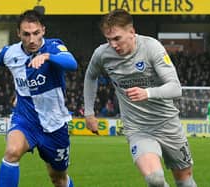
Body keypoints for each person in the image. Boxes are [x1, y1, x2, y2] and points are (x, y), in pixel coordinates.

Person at [0, 9, 77, 187]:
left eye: (36, 33)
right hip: (26, 119)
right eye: (26, 34)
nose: (31, 39)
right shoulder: (10, 53)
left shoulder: (54, 46)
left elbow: (72, 63)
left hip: (54, 124)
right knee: (12, 151)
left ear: (43, 30)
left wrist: (48, 57)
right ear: (18, 33)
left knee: (58, 178)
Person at [84, 9, 197, 187]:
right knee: (155, 179)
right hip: (138, 129)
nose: (112, 44)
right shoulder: (102, 54)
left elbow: (176, 88)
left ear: (131, 32)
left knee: (185, 180)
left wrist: (148, 93)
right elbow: (90, 77)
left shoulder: (152, 48)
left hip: (168, 124)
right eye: (108, 39)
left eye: (117, 38)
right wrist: (89, 113)